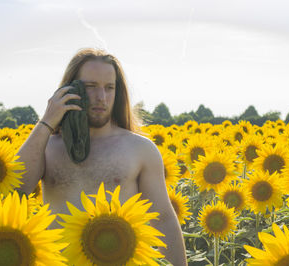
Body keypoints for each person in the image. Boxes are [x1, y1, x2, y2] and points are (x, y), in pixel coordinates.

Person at [16, 48, 187, 265]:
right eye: (90, 87)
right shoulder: (47, 147)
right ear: (70, 89)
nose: (101, 98)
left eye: (109, 88)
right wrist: (47, 122)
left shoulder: (140, 149)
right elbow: (16, 190)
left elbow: (163, 219)